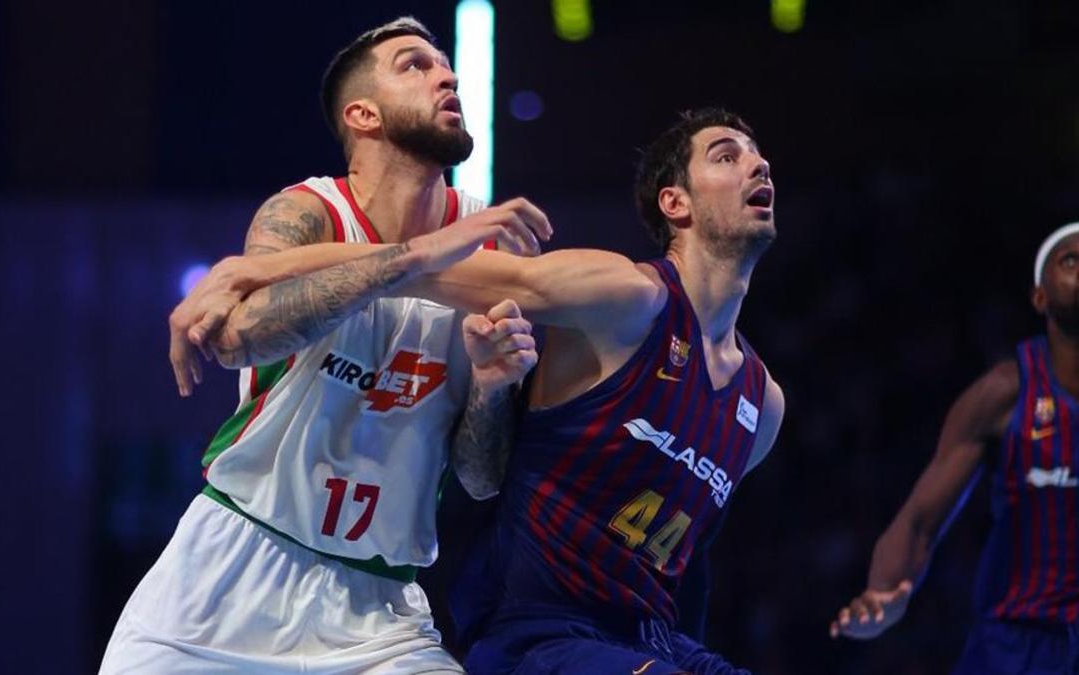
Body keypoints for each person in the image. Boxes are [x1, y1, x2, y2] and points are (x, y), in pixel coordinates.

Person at [179, 107, 785, 674]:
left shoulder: (763, 406)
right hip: (537, 634)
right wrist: (252, 268)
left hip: (649, 640)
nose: (758, 166)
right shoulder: (628, 298)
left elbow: (690, 568)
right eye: (727, 156)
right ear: (674, 202)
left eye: (758, 157)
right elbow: (414, 270)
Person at [101, 17, 551, 674]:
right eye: (414, 66)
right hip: (227, 580)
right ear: (363, 114)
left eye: (444, 65)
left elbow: (482, 479)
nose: (446, 76)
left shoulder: (485, 244)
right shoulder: (306, 213)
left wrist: (490, 383)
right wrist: (418, 254)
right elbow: (239, 340)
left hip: (380, 613)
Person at [829, 223, 1079, 674]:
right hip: (1016, 645)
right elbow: (920, 521)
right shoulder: (1005, 393)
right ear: (1040, 296)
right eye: (1071, 260)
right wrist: (884, 592)